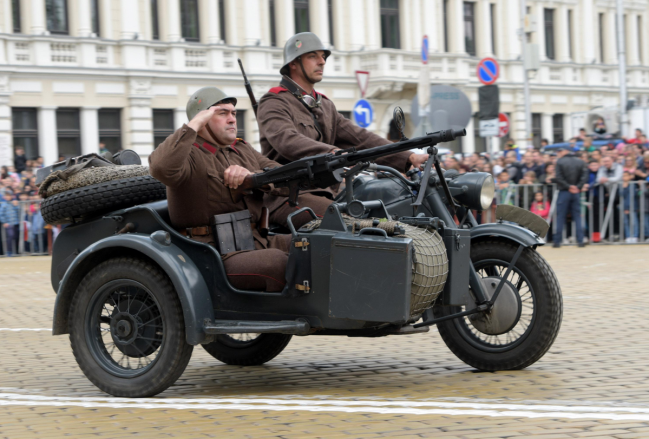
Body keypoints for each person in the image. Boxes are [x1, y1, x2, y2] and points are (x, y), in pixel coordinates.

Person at [149, 86, 332, 292]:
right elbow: (160, 168)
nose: (232, 119)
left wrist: (252, 177)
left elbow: (284, 176)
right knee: (278, 262)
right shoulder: (189, 155)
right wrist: (193, 125)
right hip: (214, 252)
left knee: (324, 245)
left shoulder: (242, 150)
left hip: (257, 241)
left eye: (233, 113)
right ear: (202, 119)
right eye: (222, 113)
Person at [257, 32, 428, 198]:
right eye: (312, 56)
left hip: (327, 192)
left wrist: (409, 157)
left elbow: (362, 139)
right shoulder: (274, 102)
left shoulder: (324, 105)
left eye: (323, 56)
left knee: (387, 205)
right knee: (349, 224)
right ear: (294, 63)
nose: (322, 61)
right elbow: (287, 141)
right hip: (288, 195)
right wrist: (333, 153)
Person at [553, 146, 588, 247]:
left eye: (560, 150)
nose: (558, 152)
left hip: (564, 191)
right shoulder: (580, 161)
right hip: (576, 192)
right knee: (577, 216)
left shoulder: (560, 162)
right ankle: (580, 240)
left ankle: (557, 241)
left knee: (560, 216)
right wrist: (578, 187)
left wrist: (568, 187)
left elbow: (558, 177)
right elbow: (584, 176)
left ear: (565, 151)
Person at [620, 171, 639, 243]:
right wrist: (624, 188)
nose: (624, 177)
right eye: (623, 176)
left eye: (626, 175)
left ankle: (635, 236)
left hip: (632, 207)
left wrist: (628, 207)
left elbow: (632, 196)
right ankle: (628, 236)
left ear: (630, 176)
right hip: (624, 207)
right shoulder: (621, 185)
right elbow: (621, 194)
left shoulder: (633, 184)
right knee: (626, 222)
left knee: (634, 222)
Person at [0, 189, 20, 256]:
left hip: (15, 223)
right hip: (8, 224)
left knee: (16, 237)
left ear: (12, 196)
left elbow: (19, 211)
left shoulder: (14, 203)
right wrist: (4, 222)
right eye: (6, 196)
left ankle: (16, 251)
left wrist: (16, 205)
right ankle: (9, 251)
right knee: (10, 236)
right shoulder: (4, 205)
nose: (8, 197)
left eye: (9, 195)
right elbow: (1, 214)